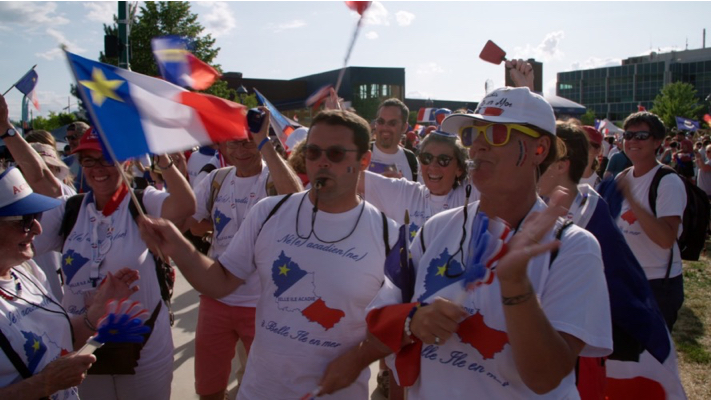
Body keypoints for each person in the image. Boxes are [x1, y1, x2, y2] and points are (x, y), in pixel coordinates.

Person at [366, 87, 612, 398]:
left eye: (496, 134)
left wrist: (515, 285)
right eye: (471, 134)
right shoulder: (437, 228)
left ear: (539, 149)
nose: (478, 145)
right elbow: (381, 316)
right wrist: (412, 321)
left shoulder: (574, 247)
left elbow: (546, 378)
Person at [139, 109, 400, 399]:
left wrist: (359, 359)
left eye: (336, 153)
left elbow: (400, 321)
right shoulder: (269, 212)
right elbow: (221, 281)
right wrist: (177, 245)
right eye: (313, 152)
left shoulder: (388, 235)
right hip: (260, 391)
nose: (321, 162)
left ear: (363, 160)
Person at [33, 128, 196, 400]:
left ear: (126, 162)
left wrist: (163, 160)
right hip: (83, 340)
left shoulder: (143, 201)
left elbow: (185, 205)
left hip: (143, 341)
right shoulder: (69, 208)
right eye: (88, 160)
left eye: (107, 159)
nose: (98, 168)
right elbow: (25, 240)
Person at [538, 121, 672, 399]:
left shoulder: (592, 219)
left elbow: (620, 291)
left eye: (539, 154)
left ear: (562, 164)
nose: (529, 163)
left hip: (581, 350)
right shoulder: (540, 208)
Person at [186, 108, 302, 400]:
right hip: (216, 297)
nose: (241, 149)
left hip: (262, 301)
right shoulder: (217, 180)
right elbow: (194, 223)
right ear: (224, 146)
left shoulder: (272, 178)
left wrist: (264, 143)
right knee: (209, 387)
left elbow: (297, 197)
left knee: (264, 387)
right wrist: (200, 225)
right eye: (234, 142)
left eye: (248, 141)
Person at [614, 111, 686, 331]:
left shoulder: (667, 181)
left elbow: (665, 239)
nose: (633, 141)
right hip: (626, 280)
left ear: (657, 142)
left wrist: (633, 201)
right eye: (628, 135)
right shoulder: (622, 177)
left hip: (656, 285)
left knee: (652, 360)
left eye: (642, 136)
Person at [358, 130, 476, 238]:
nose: (433, 166)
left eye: (443, 160)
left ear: (459, 168)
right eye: (426, 158)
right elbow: (351, 178)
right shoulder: (405, 193)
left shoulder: (471, 195)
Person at [370, 98, 419, 181]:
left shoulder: (411, 160)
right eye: (381, 122)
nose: (385, 127)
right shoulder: (360, 152)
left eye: (392, 123)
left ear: (404, 127)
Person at [61, 122, 91, 193]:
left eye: (73, 138)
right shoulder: (66, 162)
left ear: (85, 137)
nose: (70, 142)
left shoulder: (98, 162)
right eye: (68, 138)